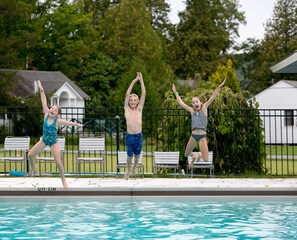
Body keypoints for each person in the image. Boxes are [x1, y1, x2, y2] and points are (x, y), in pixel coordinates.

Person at [28, 80, 83, 188]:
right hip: (44, 141)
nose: (52, 110)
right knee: (30, 155)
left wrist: (77, 125)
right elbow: (43, 100)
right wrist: (41, 88)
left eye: (55, 110)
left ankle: (63, 180)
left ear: (57, 114)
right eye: (52, 108)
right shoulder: (46, 114)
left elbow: (68, 123)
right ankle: (33, 167)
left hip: (53, 142)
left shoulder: (57, 121)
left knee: (58, 162)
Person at [172, 79, 226, 165]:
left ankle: (200, 155)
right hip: (193, 136)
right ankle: (193, 156)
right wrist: (175, 92)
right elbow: (181, 103)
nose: (195, 103)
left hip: (202, 136)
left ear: (200, 102)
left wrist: (220, 86)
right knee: (186, 154)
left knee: (205, 159)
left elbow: (213, 96)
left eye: (196, 101)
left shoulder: (204, 108)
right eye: (193, 102)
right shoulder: (191, 111)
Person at [124, 72, 146, 180]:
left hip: (138, 135)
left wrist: (141, 80)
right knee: (129, 156)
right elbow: (127, 94)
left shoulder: (139, 109)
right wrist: (134, 81)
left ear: (137, 102)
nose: (132, 101)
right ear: (128, 101)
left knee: (137, 156)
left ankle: (134, 168)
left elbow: (144, 93)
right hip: (130, 136)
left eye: (134, 100)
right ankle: (128, 170)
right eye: (131, 100)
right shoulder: (126, 109)